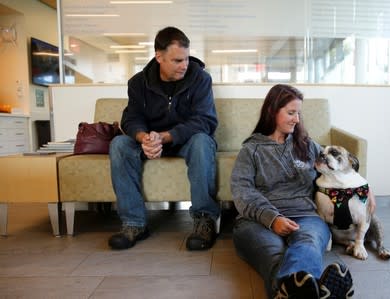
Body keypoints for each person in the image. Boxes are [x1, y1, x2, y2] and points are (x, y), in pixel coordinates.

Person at [231, 84, 355, 298]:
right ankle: (313, 290)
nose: (297, 119)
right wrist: (273, 219)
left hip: (306, 216)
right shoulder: (250, 151)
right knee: (274, 254)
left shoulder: (308, 147)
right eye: (290, 112)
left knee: (307, 243)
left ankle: (292, 291)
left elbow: (338, 169)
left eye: (298, 113)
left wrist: (363, 189)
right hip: (256, 221)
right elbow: (242, 193)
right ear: (272, 111)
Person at [108, 26, 220, 251]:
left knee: (202, 142)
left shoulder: (200, 79)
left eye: (186, 59)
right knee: (119, 144)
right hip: (151, 140)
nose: (185, 65)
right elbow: (131, 119)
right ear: (159, 57)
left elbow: (205, 121)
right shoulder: (138, 83)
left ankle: (204, 220)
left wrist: (165, 137)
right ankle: (134, 223)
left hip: (185, 140)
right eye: (178, 60)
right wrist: (144, 138)